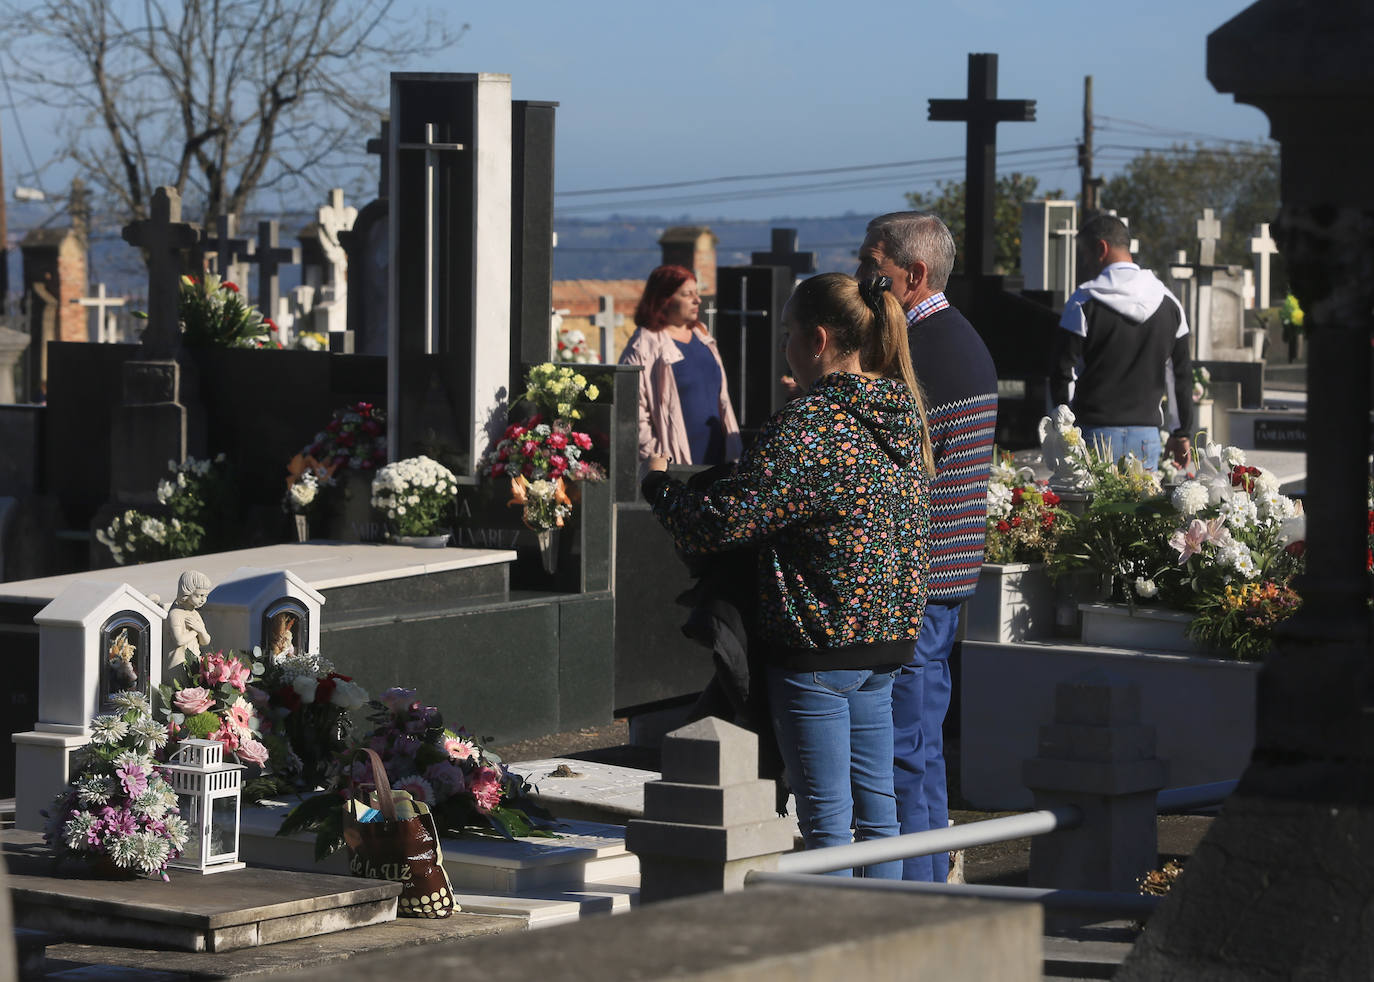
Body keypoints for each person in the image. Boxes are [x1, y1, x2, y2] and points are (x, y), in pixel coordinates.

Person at [642, 272, 934, 878]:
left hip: (819, 646)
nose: (786, 349)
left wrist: (659, 488)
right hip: (885, 641)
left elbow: (719, 521)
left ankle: (834, 960)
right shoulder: (901, 413)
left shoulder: (812, 427)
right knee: (879, 817)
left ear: (818, 339)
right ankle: (888, 950)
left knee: (827, 823)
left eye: (788, 336)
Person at [857, 211, 998, 882]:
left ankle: (912, 892)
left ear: (912, 275)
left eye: (873, 267)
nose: (864, 279)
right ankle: (928, 871)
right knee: (921, 746)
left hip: (917, 578)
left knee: (903, 749)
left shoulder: (928, 351)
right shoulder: (954, 338)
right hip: (940, 575)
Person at [1053, 213, 1192, 469]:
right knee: (1139, 508)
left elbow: (1064, 372)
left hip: (1094, 433)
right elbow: (1179, 375)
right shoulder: (1169, 302)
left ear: (1101, 248)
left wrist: (1064, 429)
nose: (1085, 263)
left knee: (1092, 510)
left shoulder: (1083, 302)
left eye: (1084, 254)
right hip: (1146, 437)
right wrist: (1181, 432)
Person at [620, 265, 742, 468]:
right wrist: (655, 455)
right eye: (687, 294)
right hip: (676, 463)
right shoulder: (644, 346)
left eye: (697, 293)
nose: (697, 300)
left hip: (718, 459)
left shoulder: (703, 337)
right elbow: (632, 410)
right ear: (664, 299)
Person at [166, 569, 213, 669]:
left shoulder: (195, 614)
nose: (203, 600)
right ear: (187, 593)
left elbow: (205, 641)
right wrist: (196, 631)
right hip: (178, 664)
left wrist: (201, 630)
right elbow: (179, 640)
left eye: (206, 596)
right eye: (200, 595)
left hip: (194, 662)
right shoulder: (176, 614)